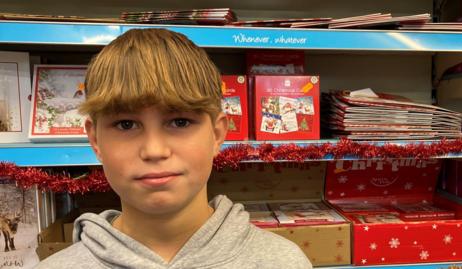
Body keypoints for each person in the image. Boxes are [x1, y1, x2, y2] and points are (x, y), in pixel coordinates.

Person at [35, 28, 312, 269]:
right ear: (95, 140)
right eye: (125, 125)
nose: (154, 150)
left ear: (217, 134)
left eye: (179, 122)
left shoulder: (283, 262)